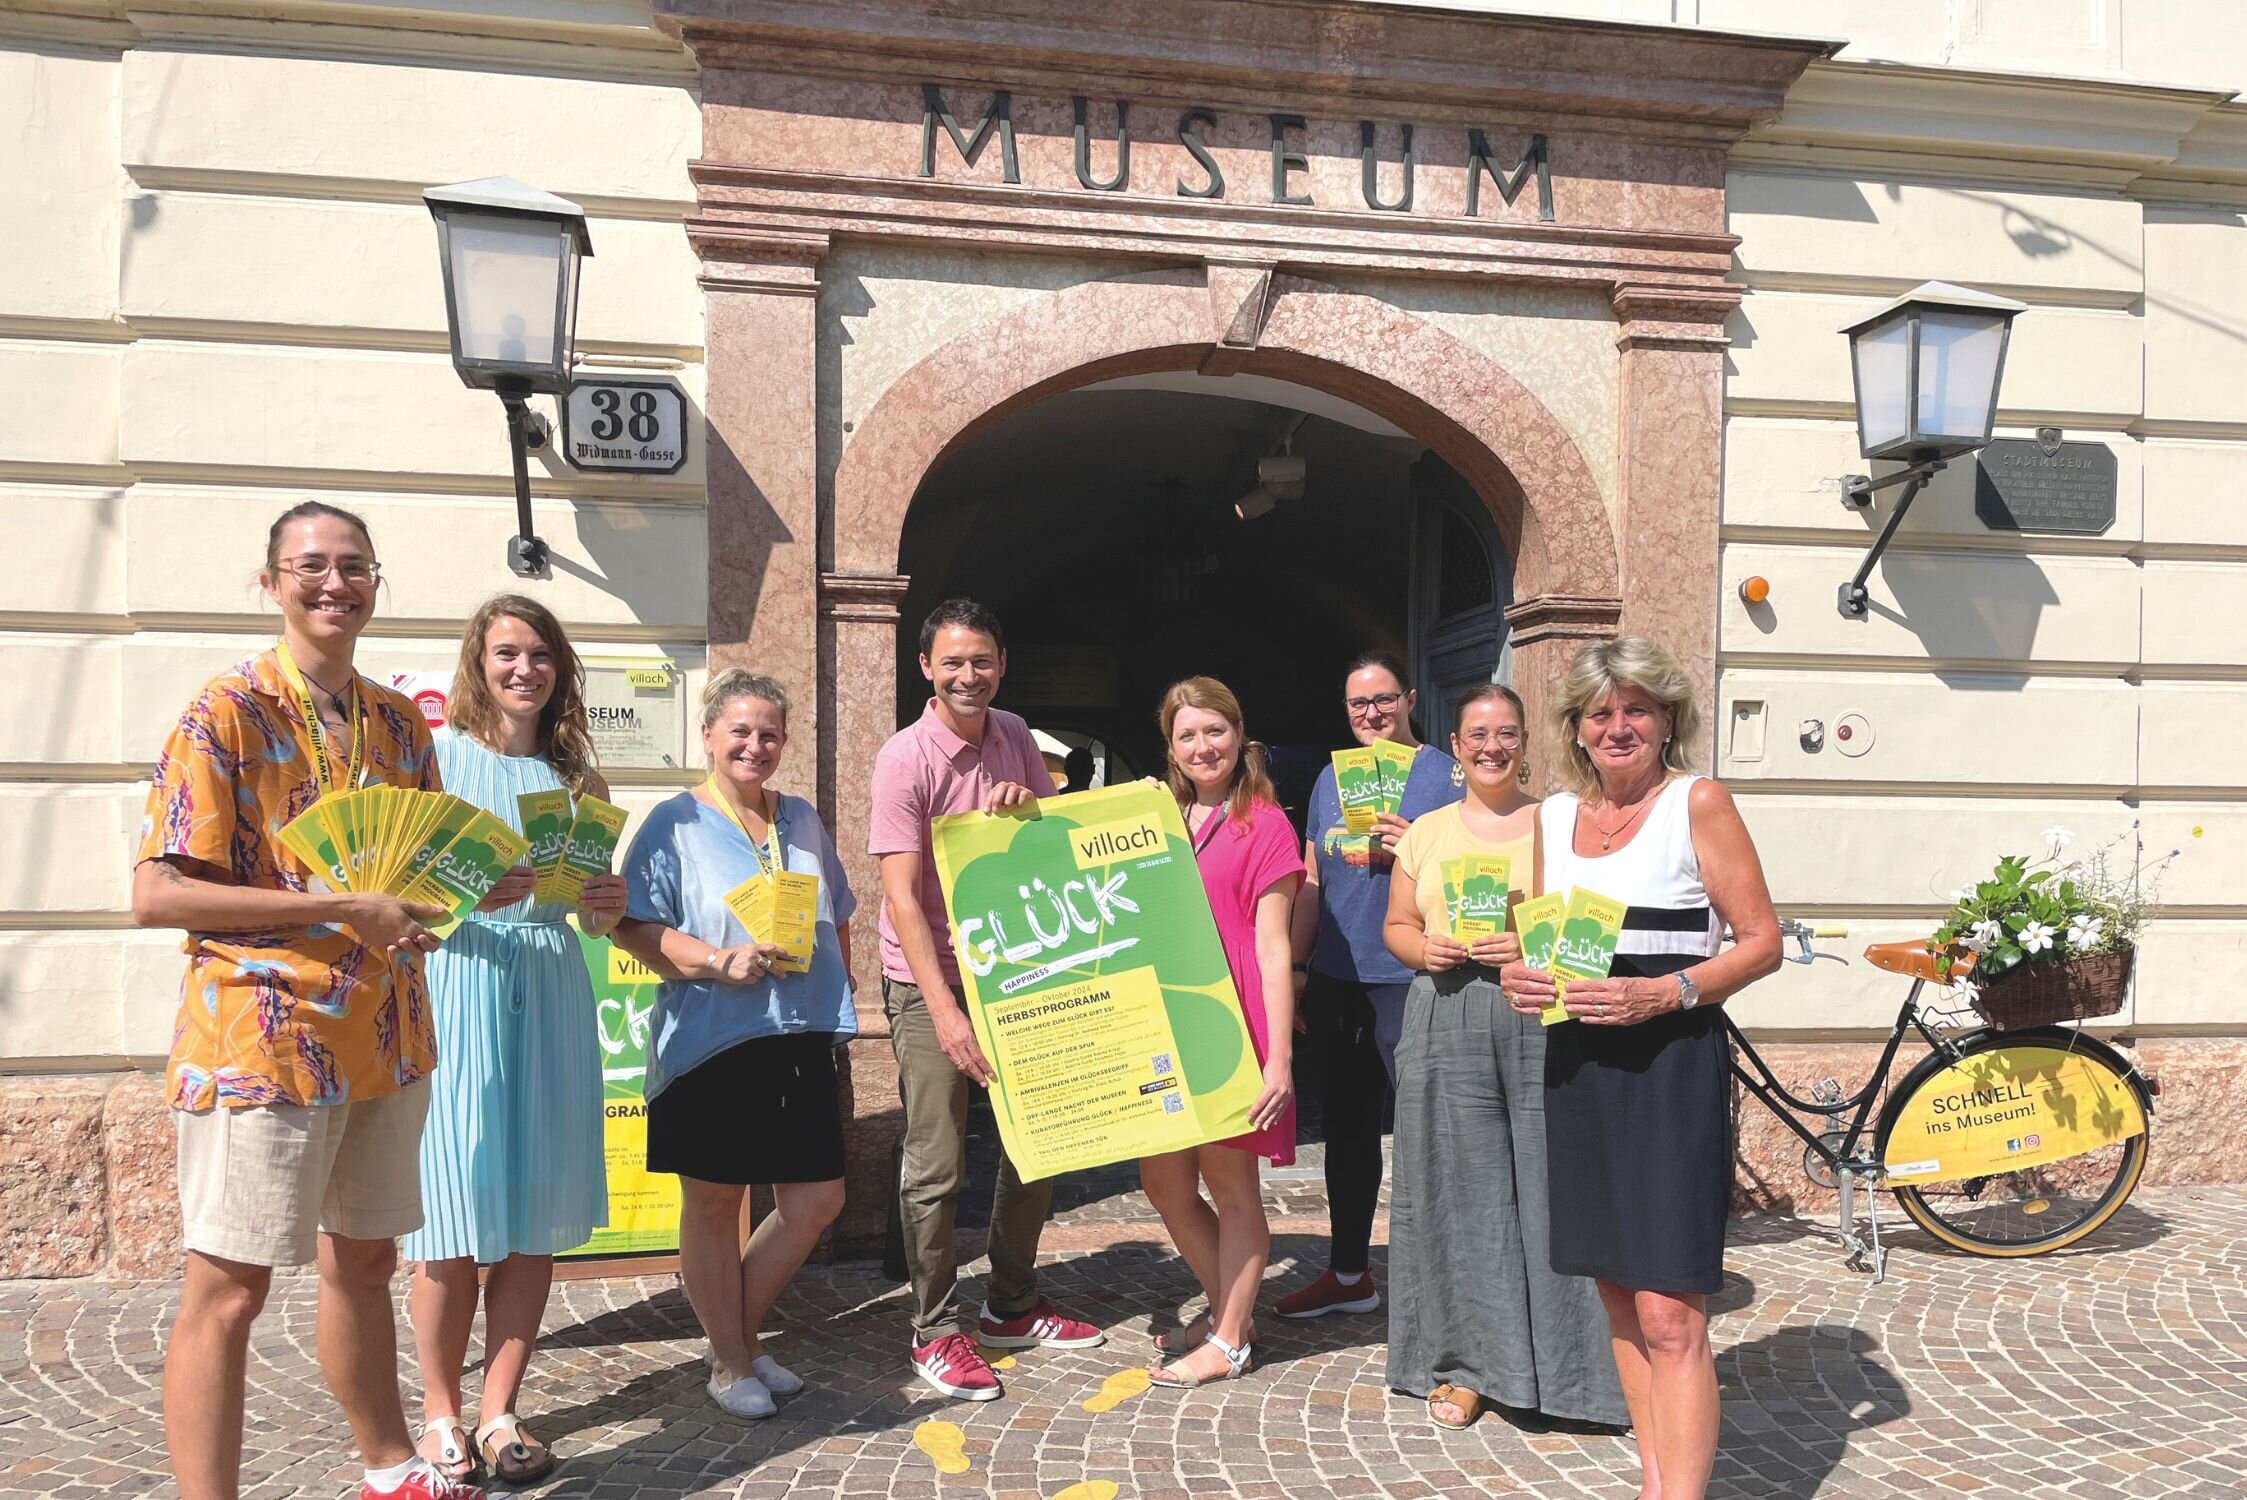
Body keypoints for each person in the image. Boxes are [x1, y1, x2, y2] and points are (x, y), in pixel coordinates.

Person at [132, 501, 477, 1500]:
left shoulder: (401, 721)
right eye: (312, 565)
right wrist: (340, 902)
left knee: (364, 1267)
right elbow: (156, 892)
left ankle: (387, 1466)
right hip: (260, 1039)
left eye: (355, 566)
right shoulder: (227, 710)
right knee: (228, 1293)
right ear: (271, 581)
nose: (336, 583)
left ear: (377, 581)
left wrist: (456, 892)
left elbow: (408, 885)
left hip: (384, 1037)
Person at [1499, 638, 1782, 1500]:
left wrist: (1668, 993)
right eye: (1599, 713)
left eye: (1635, 710)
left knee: (1670, 1310)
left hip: (1667, 1065)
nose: (1617, 727)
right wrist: (1521, 971)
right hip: (1578, 1064)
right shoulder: (1550, 818)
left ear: (1665, 720)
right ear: (1575, 730)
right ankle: (1654, 1484)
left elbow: (1762, 943)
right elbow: (1544, 941)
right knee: (1618, 1294)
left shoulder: (1696, 802)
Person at [403, 596, 629, 1484]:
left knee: (533, 1217)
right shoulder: (438, 765)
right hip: (464, 982)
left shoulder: (582, 786)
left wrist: (604, 908)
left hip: (552, 982)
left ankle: (500, 1412)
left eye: (539, 654)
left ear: (559, 668)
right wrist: (467, 895)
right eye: (506, 653)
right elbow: (404, 903)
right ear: (477, 662)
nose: (523, 668)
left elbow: (597, 921)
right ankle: (437, 1413)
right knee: (453, 1212)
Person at [871, 599, 1105, 1402]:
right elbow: (901, 898)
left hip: (1012, 972)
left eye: (981, 661)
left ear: (1000, 664)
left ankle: (1009, 1305)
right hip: (925, 975)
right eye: (952, 662)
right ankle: (934, 1330)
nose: (967, 675)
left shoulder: (1013, 732)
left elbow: (1047, 846)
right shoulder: (904, 759)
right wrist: (942, 1011)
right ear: (925, 669)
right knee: (935, 1165)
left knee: (1034, 1141)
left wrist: (1024, 811)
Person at [612, 671, 858, 1419]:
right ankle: (727, 1360)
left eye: (770, 733)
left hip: (800, 1031)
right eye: (741, 731)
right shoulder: (673, 822)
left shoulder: (803, 821)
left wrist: (835, 994)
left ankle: (739, 1337)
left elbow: (837, 911)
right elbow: (634, 925)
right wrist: (719, 960)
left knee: (818, 1199)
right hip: (712, 1039)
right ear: (710, 735)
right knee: (715, 1205)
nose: (756, 745)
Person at [1381, 684, 1626, 1432]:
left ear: (1526, 742)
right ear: (1454, 747)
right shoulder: (1423, 830)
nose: (1491, 746)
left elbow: (1596, 924)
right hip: (1445, 1012)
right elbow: (1394, 924)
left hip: (1538, 1011)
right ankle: (1465, 1366)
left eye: (1506, 733)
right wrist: (1424, 946)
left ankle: (1575, 1375)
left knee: (1556, 1191)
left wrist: (1528, 942)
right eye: (1476, 734)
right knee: (1460, 1197)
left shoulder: (1559, 823)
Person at [1280, 652, 1462, 1320]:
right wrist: (1298, 971)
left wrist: (1418, 847)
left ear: (1410, 698)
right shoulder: (1331, 777)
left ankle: (1441, 1286)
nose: (1372, 714)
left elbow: (1484, 871)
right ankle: (1350, 1272)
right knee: (1348, 1134)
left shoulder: (1448, 776)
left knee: (1427, 1134)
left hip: (1411, 978)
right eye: (1358, 704)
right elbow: (1309, 882)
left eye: (1383, 700)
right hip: (1337, 974)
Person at [1142, 677, 1301, 1388]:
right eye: (1187, 735)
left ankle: (1230, 1338)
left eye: (1214, 731)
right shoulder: (1160, 817)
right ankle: (1227, 1309)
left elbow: (1273, 947)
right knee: (1163, 1180)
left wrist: (1279, 1060)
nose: (1202, 746)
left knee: (1229, 1181)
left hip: (1232, 1016)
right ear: (1170, 748)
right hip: (1163, 1015)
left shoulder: (1263, 823)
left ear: (1239, 737)